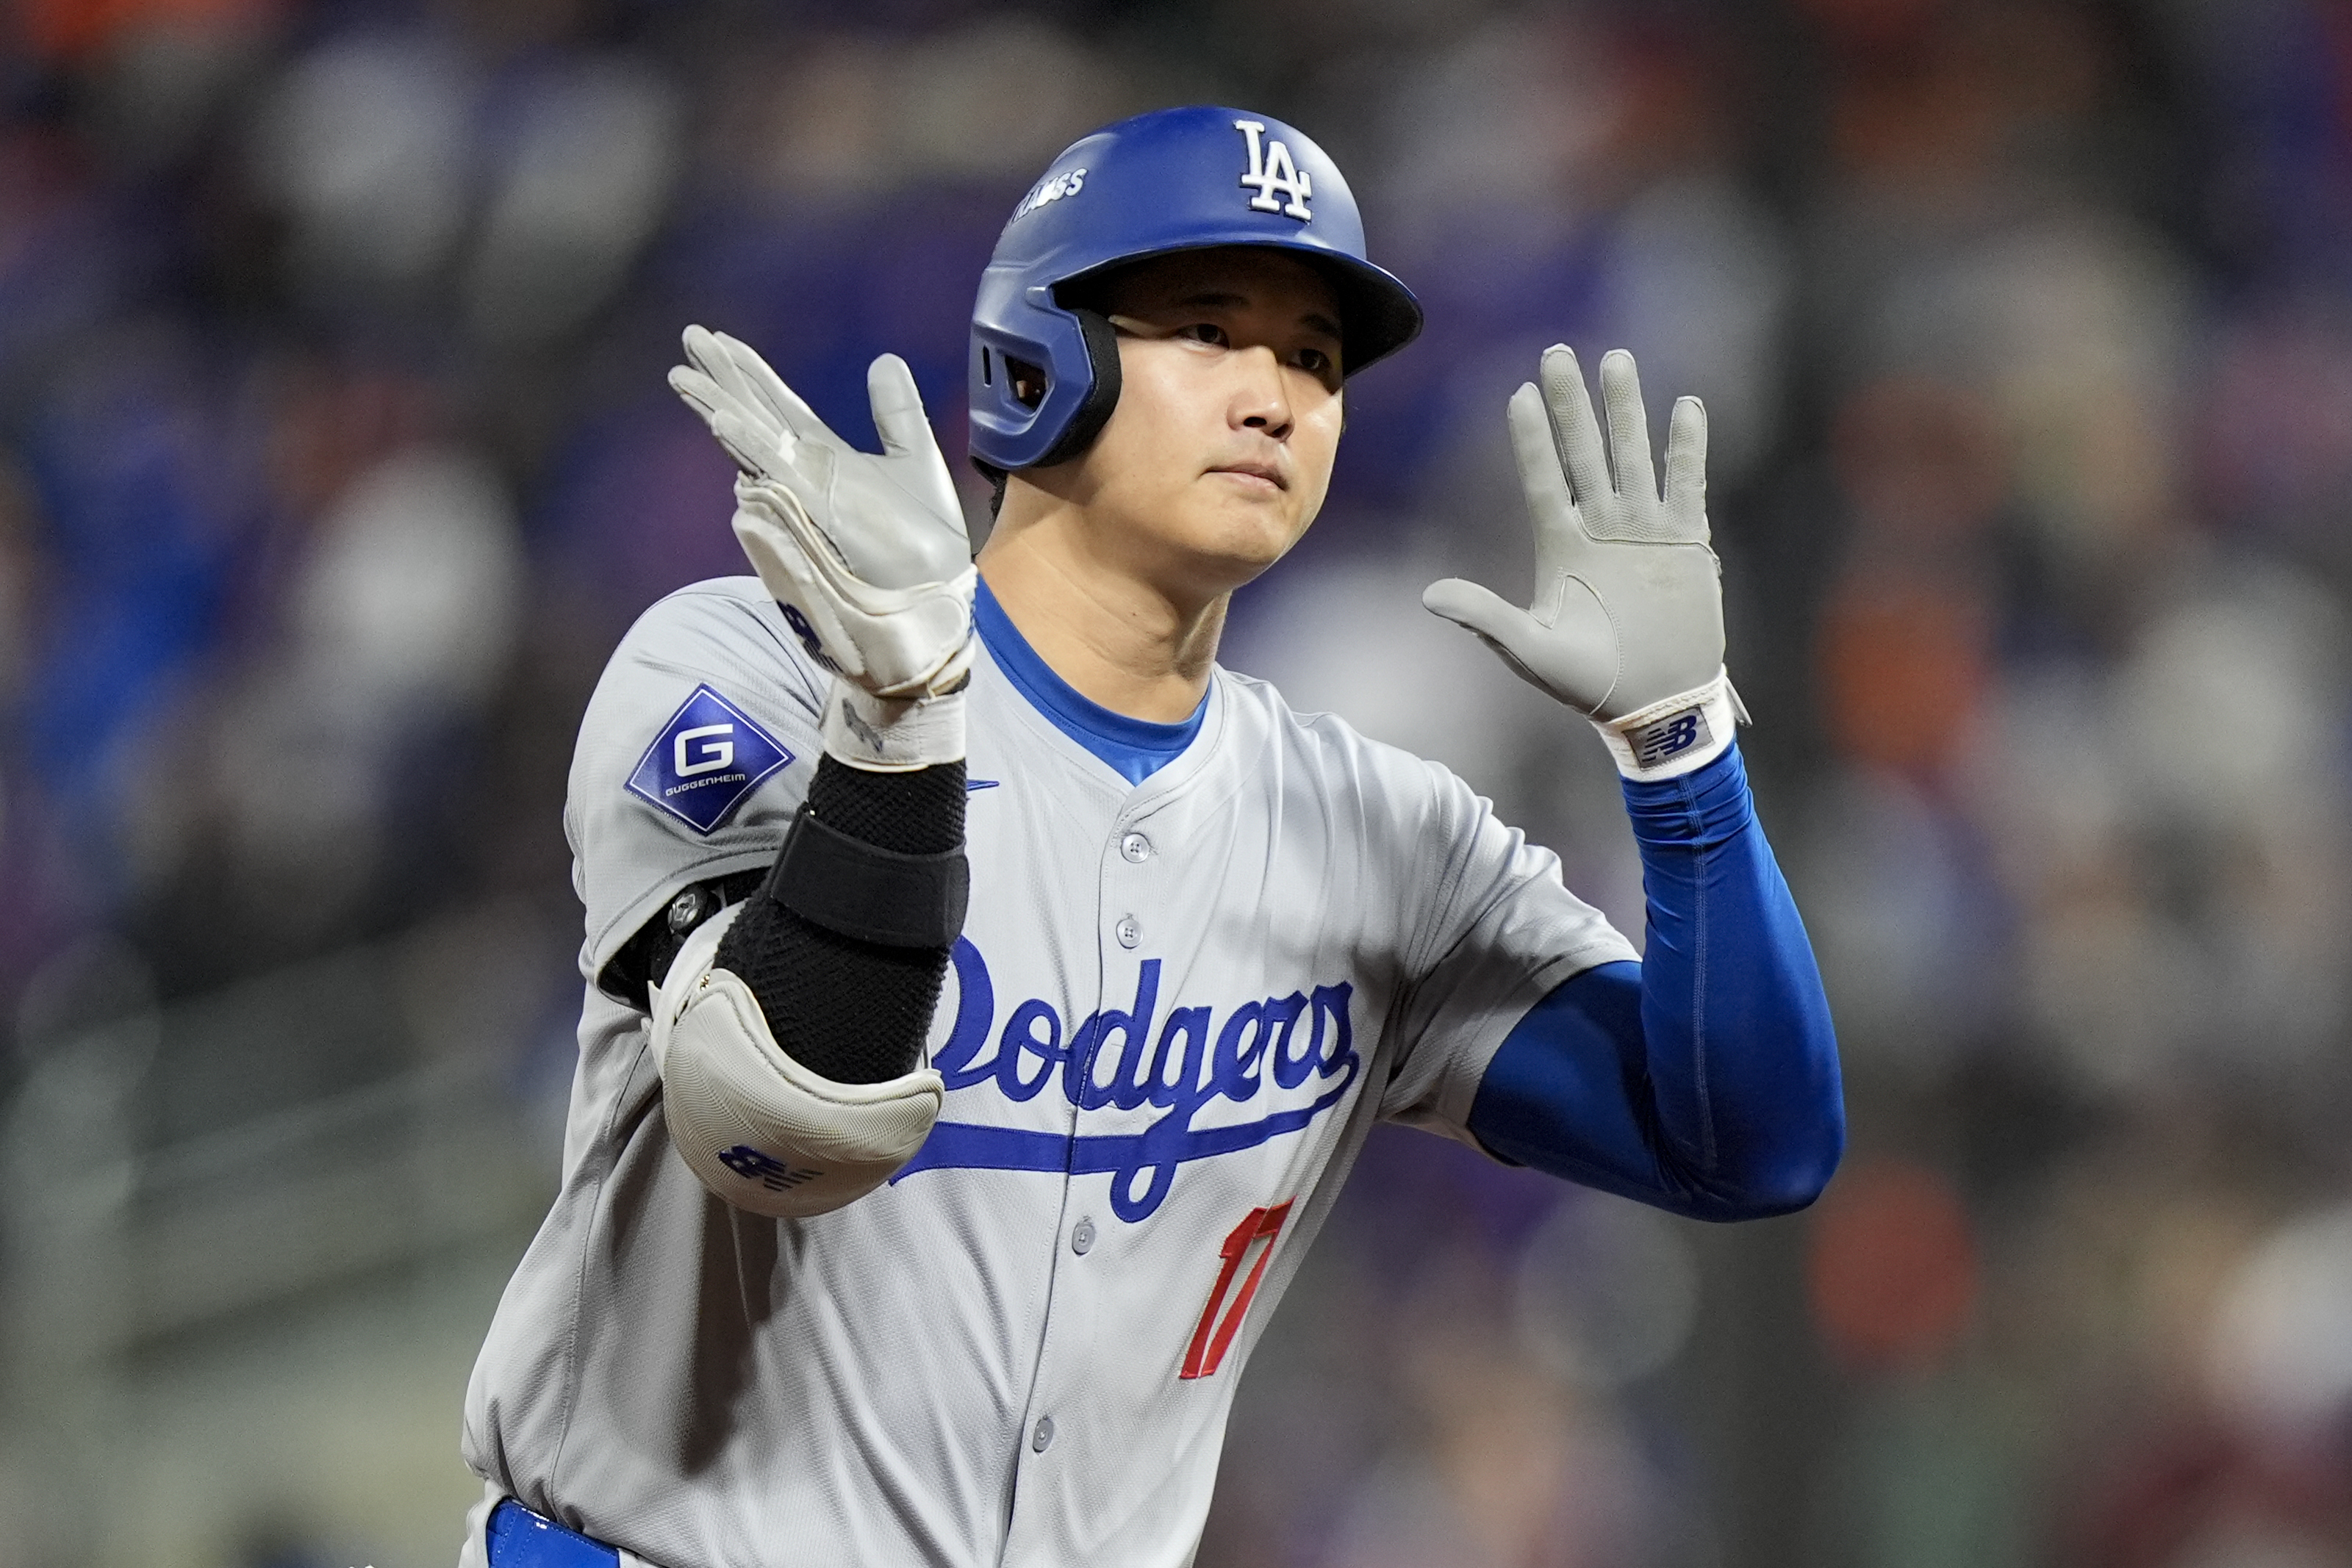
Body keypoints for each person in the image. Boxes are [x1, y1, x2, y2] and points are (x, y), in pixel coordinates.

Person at [457, 105, 1842, 1568]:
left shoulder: (1375, 829)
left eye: (1313, 356)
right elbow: (778, 1124)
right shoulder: (749, 665)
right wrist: (903, 723)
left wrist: (1680, 747)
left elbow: (1751, 1145)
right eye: (1205, 330)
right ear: (1032, 362)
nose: (1274, 395)